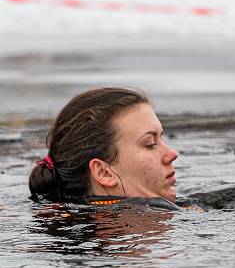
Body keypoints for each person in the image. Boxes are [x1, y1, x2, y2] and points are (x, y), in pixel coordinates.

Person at [28, 87, 181, 210]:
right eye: (150, 144)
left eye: (161, 138)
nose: (172, 154)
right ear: (103, 172)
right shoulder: (151, 218)